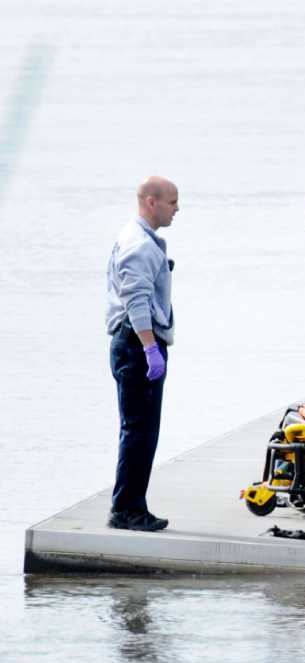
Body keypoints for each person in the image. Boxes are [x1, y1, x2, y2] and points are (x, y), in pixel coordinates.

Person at [104, 176, 179, 532]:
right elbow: (135, 301)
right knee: (139, 430)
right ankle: (126, 509)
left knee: (142, 429)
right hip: (137, 342)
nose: (177, 208)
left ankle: (133, 504)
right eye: (172, 202)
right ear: (151, 201)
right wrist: (150, 348)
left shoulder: (142, 239)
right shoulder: (139, 245)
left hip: (137, 341)